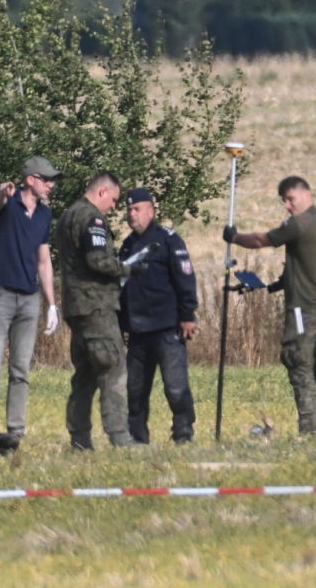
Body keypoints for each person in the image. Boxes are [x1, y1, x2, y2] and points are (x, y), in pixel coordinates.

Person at [225, 176, 316, 436]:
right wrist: (314, 276)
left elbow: (262, 240)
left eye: (290, 198)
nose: (287, 205)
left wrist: (234, 237)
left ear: (306, 193)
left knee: (299, 363)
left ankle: (308, 430)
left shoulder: (301, 223)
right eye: (284, 200)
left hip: (303, 309)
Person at [0, 156, 60, 439]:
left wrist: (52, 304)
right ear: (30, 179)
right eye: (47, 180)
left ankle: (15, 431)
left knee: (21, 370)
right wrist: (1, 190)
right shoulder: (8, 203)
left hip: (29, 299)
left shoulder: (45, 215)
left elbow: (43, 260)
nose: (51, 185)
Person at [56, 171, 147, 449]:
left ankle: (80, 440)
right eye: (114, 200)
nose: (114, 208)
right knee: (113, 368)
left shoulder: (66, 216)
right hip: (97, 306)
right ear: (102, 192)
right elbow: (98, 260)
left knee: (85, 376)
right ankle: (120, 438)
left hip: (76, 308)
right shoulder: (92, 218)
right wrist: (128, 269)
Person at [118, 188, 199, 444]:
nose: (132, 214)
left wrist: (188, 315)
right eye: (129, 209)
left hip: (166, 328)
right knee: (135, 391)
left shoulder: (168, 240)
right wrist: (121, 325)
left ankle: (183, 435)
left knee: (175, 388)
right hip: (138, 332)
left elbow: (185, 278)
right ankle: (137, 438)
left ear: (151, 211)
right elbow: (121, 287)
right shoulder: (128, 245)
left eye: (137, 209)